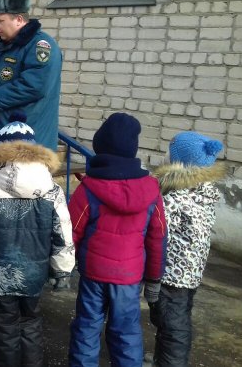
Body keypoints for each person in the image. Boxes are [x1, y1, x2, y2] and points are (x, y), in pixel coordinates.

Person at [0, 113, 74, 367]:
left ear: (0, 151)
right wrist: (62, 269)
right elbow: (63, 233)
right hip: (34, 274)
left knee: (1, 328)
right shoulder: (52, 190)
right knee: (30, 323)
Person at [67, 113, 167, 367]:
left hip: (94, 275)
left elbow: (71, 231)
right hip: (129, 278)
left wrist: (62, 266)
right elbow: (158, 237)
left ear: (100, 146)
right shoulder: (151, 189)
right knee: (127, 334)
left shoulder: (89, 188)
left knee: (86, 329)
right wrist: (154, 278)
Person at [150, 132, 226, 367]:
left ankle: (171, 362)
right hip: (190, 275)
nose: (164, 156)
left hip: (172, 276)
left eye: (169, 152)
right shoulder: (204, 192)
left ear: (179, 161)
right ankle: (163, 359)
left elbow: (157, 231)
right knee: (174, 322)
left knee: (173, 328)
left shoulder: (175, 197)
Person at [0, 0, 62, 153]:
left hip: (27, 144)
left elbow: (34, 86)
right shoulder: (0, 45)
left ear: (19, 19)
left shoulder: (40, 46)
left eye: (0, 21)